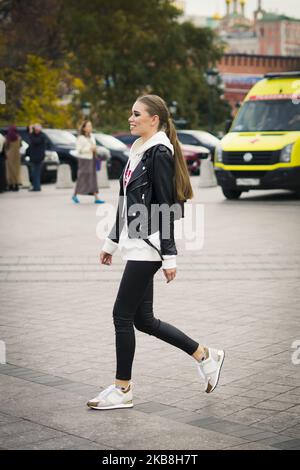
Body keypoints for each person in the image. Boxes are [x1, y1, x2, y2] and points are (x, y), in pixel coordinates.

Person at [87, 95, 225, 410]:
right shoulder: (138, 151)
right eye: (131, 113)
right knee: (143, 320)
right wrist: (111, 243)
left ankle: (123, 390)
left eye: (136, 114)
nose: (130, 118)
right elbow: (124, 203)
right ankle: (205, 355)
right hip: (134, 243)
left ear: (154, 119)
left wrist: (170, 256)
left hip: (147, 246)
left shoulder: (159, 153)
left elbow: (166, 205)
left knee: (120, 316)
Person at [72, 120, 105, 204]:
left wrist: (95, 149)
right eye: (89, 126)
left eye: (91, 126)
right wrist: (90, 149)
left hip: (92, 159)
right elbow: (79, 150)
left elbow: (94, 146)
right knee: (82, 177)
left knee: (93, 178)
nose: (91, 127)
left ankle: (96, 197)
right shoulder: (80, 138)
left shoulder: (92, 137)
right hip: (84, 160)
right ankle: (75, 195)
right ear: (84, 128)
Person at [28, 124, 47, 192]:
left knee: (36, 173)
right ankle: (35, 186)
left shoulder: (42, 136)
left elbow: (35, 141)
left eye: (36, 129)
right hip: (34, 157)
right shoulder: (35, 135)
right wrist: (30, 129)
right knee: (34, 173)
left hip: (39, 157)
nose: (35, 131)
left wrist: (30, 133)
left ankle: (37, 187)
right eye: (34, 129)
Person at [4, 125, 21, 191]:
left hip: (10, 155)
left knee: (10, 170)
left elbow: (6, 146)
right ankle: (16, 185)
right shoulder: (19, 137)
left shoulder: (8, 137)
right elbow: (20, 145)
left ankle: (11, 185)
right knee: (16, 170)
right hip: (17, 156)